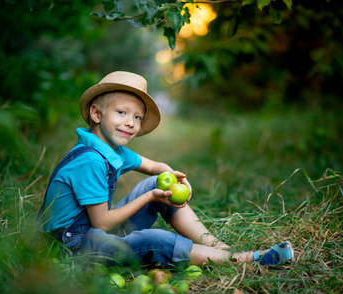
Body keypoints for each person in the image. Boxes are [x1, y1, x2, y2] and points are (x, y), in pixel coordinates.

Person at [37, 71, 294, 267]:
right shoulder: (91, 159)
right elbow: (102, 222)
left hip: (92, 234)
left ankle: (217, 246)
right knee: (153, 240)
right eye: (122, 112)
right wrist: (151, 197)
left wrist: (175, 181)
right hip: (71, 248)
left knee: (153, 183)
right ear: (96, 114)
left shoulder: (112, 149)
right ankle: (243, 259)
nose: (130, 123)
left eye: (137, 117)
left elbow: (156, 168)